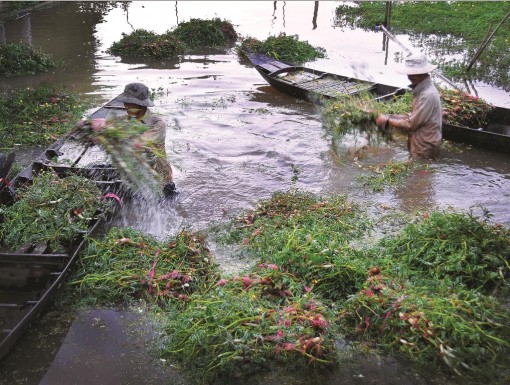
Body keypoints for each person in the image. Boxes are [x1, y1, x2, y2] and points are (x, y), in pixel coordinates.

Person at [375, 53, 442, 160]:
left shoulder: (427, 95)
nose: (409, 77)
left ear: (423, 73)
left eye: (412, 74)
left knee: (421, 175)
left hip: (424, 146)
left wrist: (387, 120)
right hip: (422, 142)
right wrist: (392, 117)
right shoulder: (423, 90)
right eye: (409, 74)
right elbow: (415, 117)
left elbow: (411, 125)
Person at [116, 82, 177, 196]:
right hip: (140, 175)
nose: (125, 106)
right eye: (126, 102)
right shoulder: (128, 120)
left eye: (130, 103)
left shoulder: (158, 123)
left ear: (141, 105)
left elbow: (138, 143)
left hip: (160, 179)